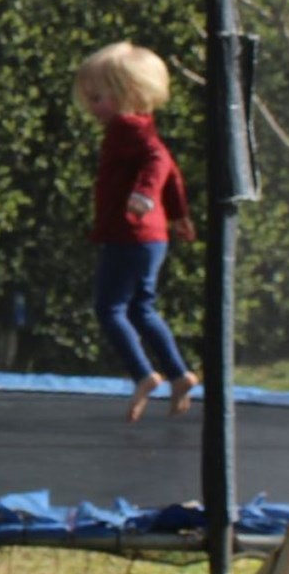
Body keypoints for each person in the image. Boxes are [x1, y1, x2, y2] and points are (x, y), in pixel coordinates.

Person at [75, 41, 199, 422]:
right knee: (142, 309)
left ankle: (144, 374)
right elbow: (170, 168)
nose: (92, 107)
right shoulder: (144, 127)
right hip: (152, 237)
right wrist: (178, 214)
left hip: (127, 234)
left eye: (98, 98)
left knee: (109, 308)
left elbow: (158, 161)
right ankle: (179, 374)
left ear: (126, 93)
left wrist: (144, 194)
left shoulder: (125, 127)